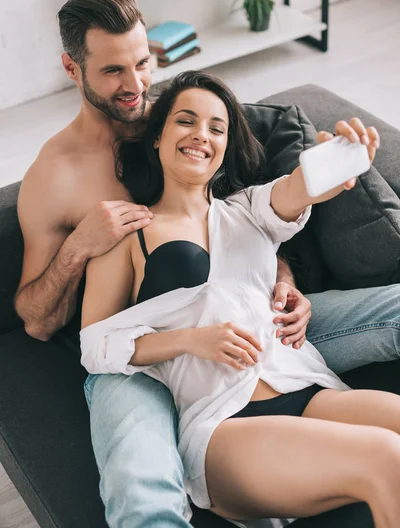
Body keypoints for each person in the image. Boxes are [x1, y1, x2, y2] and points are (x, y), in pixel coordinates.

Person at [13, 0, 400, 527]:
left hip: (266, 341)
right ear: (72, 69)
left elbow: (272, 205)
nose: (136, 86)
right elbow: (43, 322)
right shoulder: (59, 179)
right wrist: (80, 244)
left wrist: (284, 274)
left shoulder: (177, 115)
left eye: (142, 64)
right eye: (113, 72)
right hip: (151, 361)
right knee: (141, 481)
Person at [80, 70, 400, 528]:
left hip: (301, 386)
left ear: (227, 146)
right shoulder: (129, 230)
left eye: (216, 128)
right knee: (385, 455)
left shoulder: (248, 210)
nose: (200, 136)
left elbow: (296, 188)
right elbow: (94, 346)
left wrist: (336, 161)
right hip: (223, 425)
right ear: (157, 137)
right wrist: (192, 340)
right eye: (185, 121)